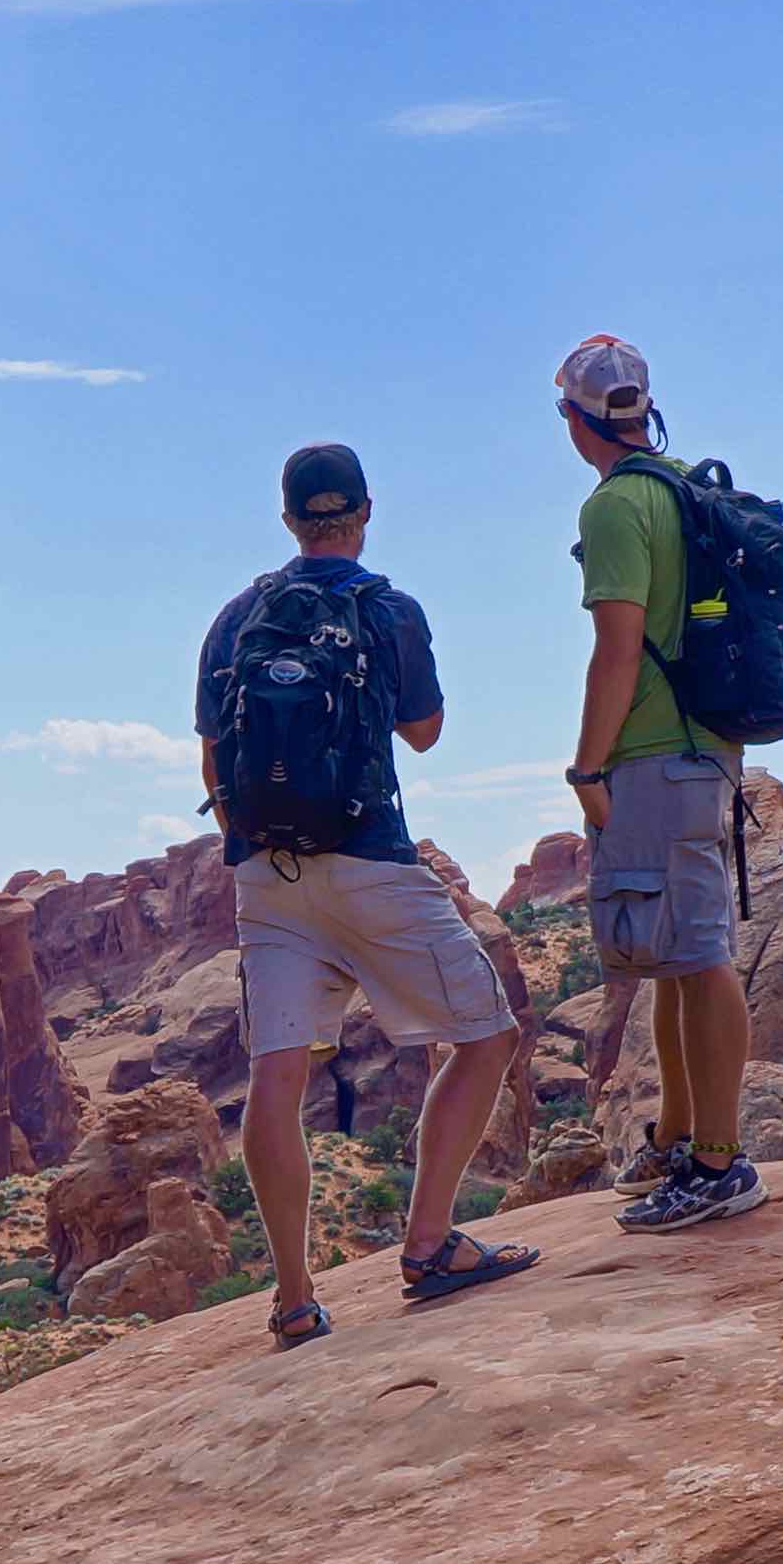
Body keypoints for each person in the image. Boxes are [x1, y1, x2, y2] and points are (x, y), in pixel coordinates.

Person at [196, 440, 537, 1347]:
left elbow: (211, 759)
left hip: (264, 871)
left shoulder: (236, 618)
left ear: (286, 519)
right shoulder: (388, 608)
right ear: (366, 513)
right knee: (488, 1034)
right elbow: (424, 732)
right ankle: (429, 1246)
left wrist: (258, 845)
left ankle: (294, 1301)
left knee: (279, 1074)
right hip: (372, 858)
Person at [555, 334, 762, 1232]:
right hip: (706, 745)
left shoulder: (616, 509)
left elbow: (617, 645)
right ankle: (681, 1138)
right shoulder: (682, 487)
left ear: (575, 420)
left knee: (699, 954)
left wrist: (586, 765)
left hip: (652, 752)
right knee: (677, 955)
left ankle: (719, 1162)